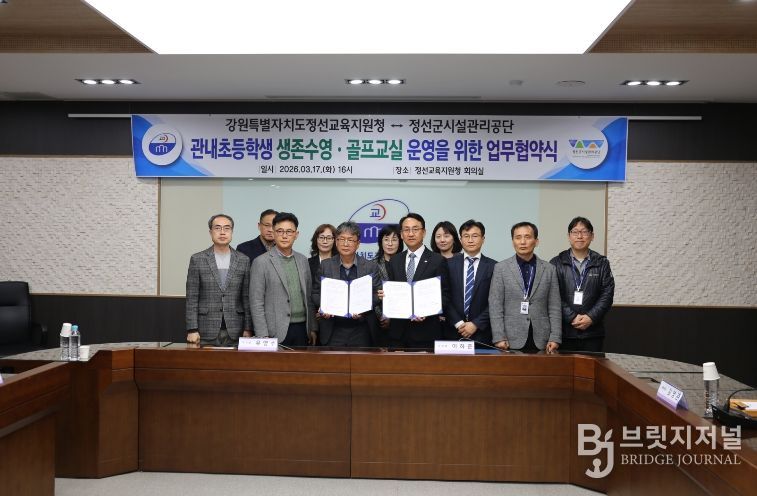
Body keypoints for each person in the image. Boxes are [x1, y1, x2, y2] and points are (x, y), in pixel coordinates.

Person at [489, 222, 561, 353]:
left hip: (542, 339)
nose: (522, 242)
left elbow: (554, 306)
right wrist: (499, 336)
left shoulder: (549, 269)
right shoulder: (501, 268)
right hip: (510, 338)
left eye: (527, 237)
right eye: (518, 237)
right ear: (513, 241)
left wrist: (555, 337)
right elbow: (495, 305)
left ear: (536, 241)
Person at [383, 213, 450, 349]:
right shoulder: (395, 260)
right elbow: (393, 292)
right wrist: (385, 295)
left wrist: (426, 311)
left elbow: (445, 295)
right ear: (401, 234)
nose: (411, 234)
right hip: (398, 333)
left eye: (415, 229)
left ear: (423, 232)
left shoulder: (437, 261)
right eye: (406, 230)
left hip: (425, 333)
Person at [250, 212, 317, 346]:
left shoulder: (303, 260)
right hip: (274, 331)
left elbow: (308, 298)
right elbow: (256, 302)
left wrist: (312, 328)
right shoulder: (261, 262)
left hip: (303, 329)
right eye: (280, 231)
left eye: (289, 232)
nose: (284, 236)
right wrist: (263, 335)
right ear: (274, 233)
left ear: (296, 234)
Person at [550, 217, 615, 352]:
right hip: (564, 333)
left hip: (593, 332)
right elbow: (553, 295)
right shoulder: (556, 263)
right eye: (575, 232)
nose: (579, 236)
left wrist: (591, 317)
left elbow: (607, 294)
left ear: (592, 236)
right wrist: (571, 317)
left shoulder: (602, 263)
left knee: (591, 366)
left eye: (584, 232)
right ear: (569, 236)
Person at [185, 214, 252, 346]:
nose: (222, 232)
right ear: (210, 232)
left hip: (236, 329)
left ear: (232, 232)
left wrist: (248, 328)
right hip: (205, 330)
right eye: (217, 228)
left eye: (227, 228)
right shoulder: (197, 259)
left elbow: (246, 297)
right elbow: (192, 297)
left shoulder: (243, 260)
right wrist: (192, 329)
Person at [312, 222, 380, 347]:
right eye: (342, 239)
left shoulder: (370, 266)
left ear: (358, 243)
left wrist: (363, 308)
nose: (345, 244)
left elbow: (377, 294)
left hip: (361, 328)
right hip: (333, 328)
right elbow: (316, 293)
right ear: (336, 242)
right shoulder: (326, 265)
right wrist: (324, 306)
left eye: (350, 240)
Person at [444, 220, 496, 347]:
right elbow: (445, 296)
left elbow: (496, 301)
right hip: (453, 331)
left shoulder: (494, 266)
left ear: (483, 239)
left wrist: (476, 324)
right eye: (466, 236)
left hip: (482, 333)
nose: (470, 240)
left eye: (475, 236)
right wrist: (458, 323)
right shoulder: (448, 265)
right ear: (460, 240)